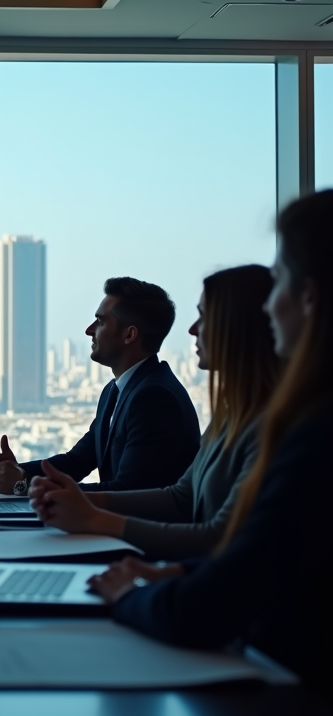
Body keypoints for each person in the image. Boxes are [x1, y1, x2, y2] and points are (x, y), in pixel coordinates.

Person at [88, 191, 333, 695]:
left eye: (280, 281)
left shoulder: (308, 434)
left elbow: (218, 593)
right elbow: (263, 556)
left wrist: (127, 592)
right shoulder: (255, 419)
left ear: (308, 297)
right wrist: (179, 571)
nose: (270, 304)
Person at [29, 265, 280, 559]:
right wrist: (56, 492)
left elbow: (217, 537)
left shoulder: (158, 397)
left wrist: (89, 514)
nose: (192, 329)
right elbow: (181, 497)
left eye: (204, 316)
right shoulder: (231, 413)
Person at [0, 277, 200, 494]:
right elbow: (77, 461)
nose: (89, 330)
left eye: (100, 321)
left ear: (129, 335)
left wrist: (24, 484)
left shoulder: (154, 398)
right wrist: (16, 472)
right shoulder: (116, 391)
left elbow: (127, 492)